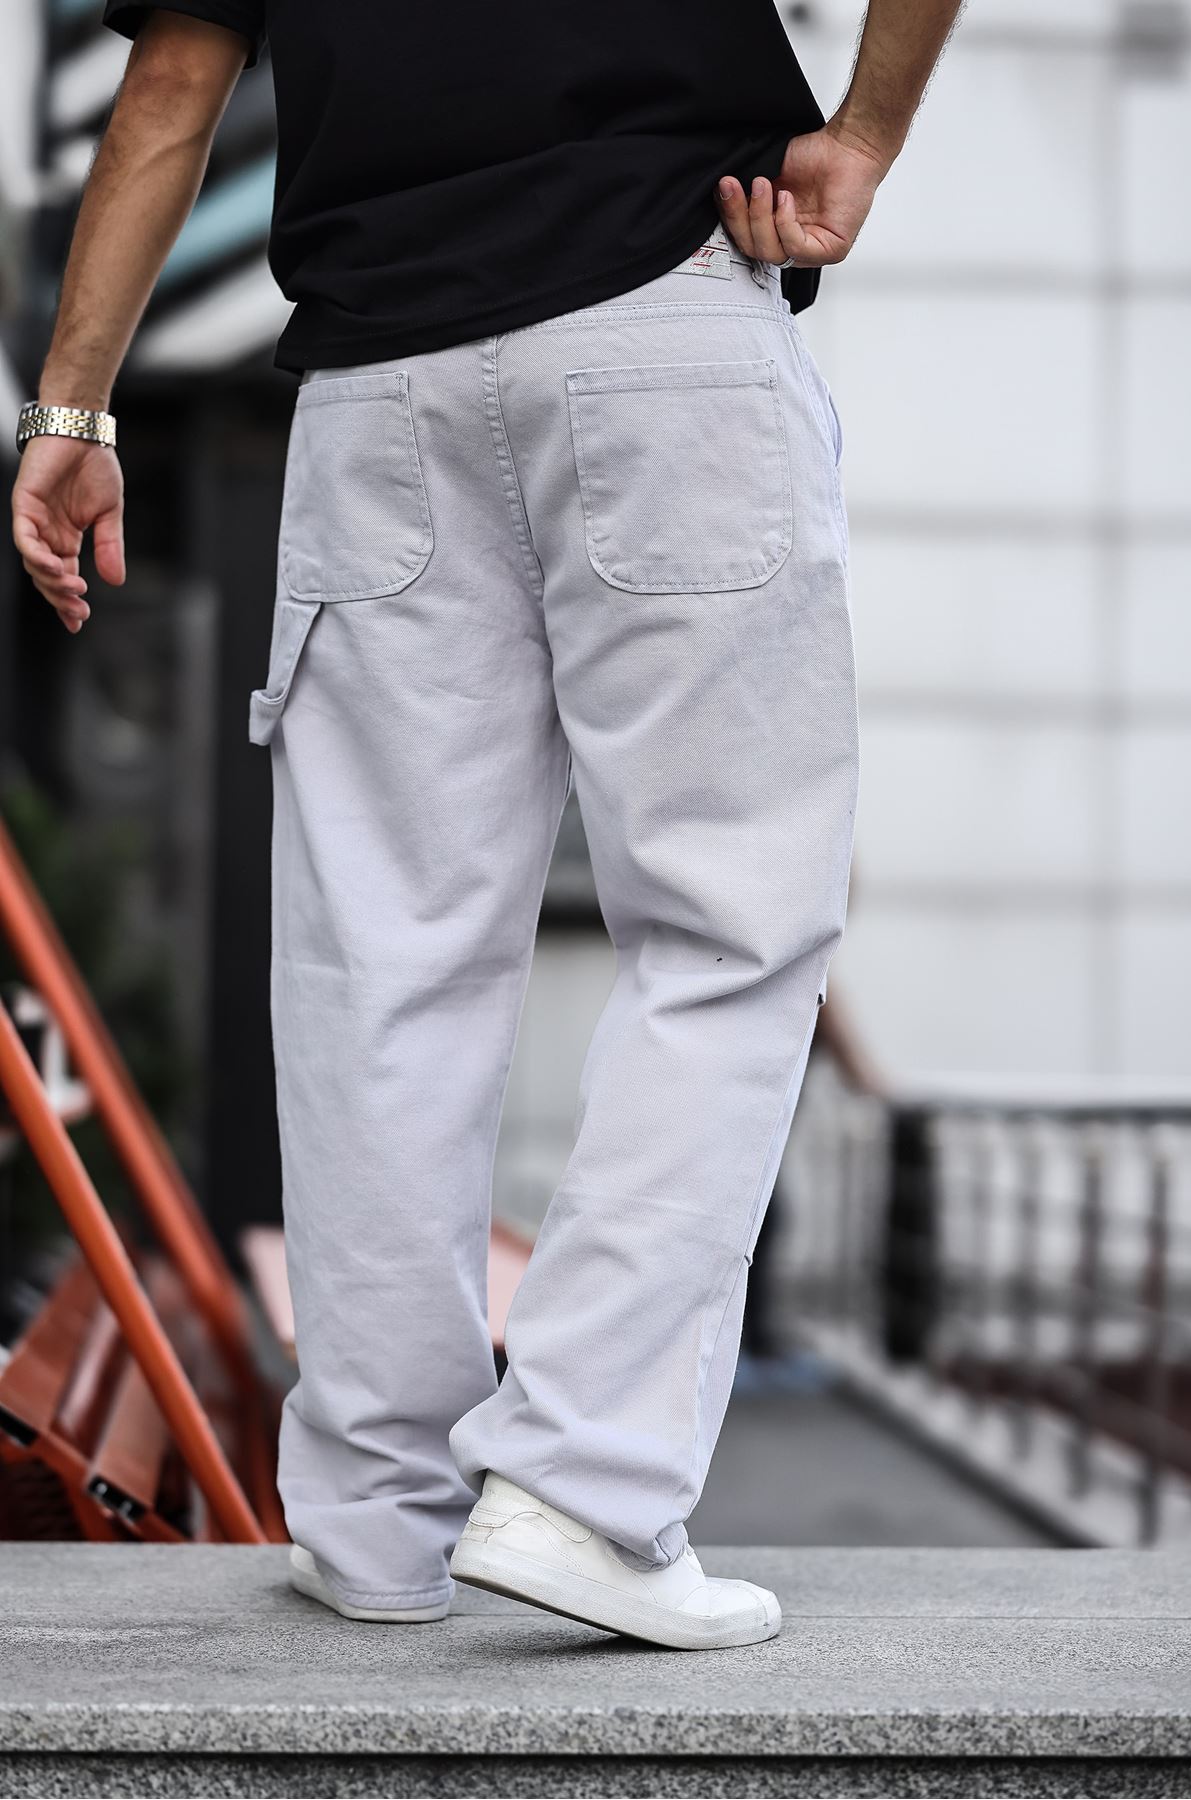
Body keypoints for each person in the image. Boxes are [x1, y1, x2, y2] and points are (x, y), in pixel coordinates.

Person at [11, 0, 962, 1650]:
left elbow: (173, 77)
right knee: (728, 930)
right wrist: (864, 134)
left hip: (377, 385)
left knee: (382, 965)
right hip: (661, 307)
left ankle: (374, 1521)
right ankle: (584, 1483)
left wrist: (71, 411)